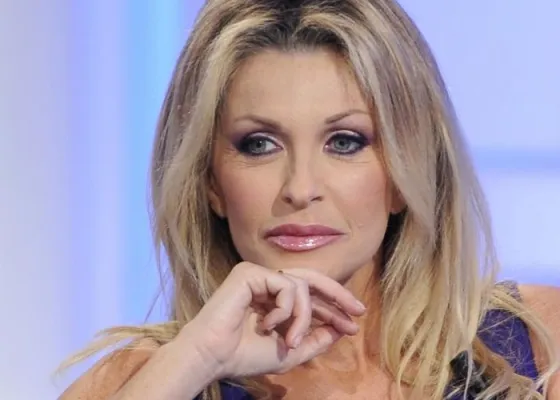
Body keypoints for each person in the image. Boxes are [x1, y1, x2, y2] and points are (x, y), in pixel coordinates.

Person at [58, 0, 560, 399]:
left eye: (345, 142)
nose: (299, 188)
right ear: (210, 182)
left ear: (405, 174)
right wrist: (200, 359)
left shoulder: (538, 342)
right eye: (259, 144)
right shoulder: (141, 380)